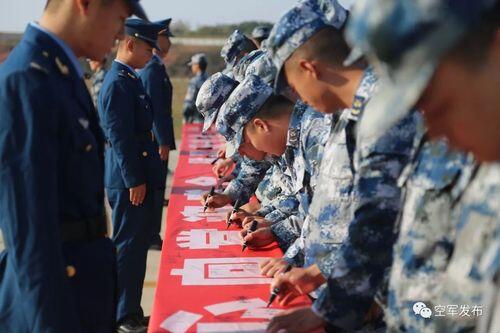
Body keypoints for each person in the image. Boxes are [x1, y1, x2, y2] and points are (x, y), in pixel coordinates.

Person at [264, 1, 419, 331]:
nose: (298, 100)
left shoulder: (384, 108)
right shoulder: (352, 113)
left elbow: (381, 218)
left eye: (292, 87)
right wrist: (318, 273)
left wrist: (330, 310)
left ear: (310, 68)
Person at [347, 0, 500, 331]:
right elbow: (472, 310)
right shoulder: (485, 165)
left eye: (441, 106)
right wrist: (418, 313)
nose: (436, 134)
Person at [0, 0, 146, 332]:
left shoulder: (57, 73)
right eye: (120, 18)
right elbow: (29, 234)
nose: (121, 32)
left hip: (83, 290)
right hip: (58, 299)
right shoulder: (27, 81)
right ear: (85, 4)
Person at [98, 18, 165, 333]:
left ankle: (131, 311)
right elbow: (120, 136)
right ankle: (122, 317)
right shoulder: (117, 82)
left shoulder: (129, 78)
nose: (152, 53)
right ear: (130, 44)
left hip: (138, 173)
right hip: (129, 179)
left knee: (136, 249)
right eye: (148, 47)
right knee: (127, 248)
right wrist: (133, 180)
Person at [139, 18, 176, 250]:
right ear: (156, 39)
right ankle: (151, 235)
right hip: (155, 140)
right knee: (155, 187)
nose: (169, 42)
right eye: (166, 37)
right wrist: (162, 140)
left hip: (159, 137)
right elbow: (154, 110)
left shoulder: (156, 66)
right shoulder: (152, 69)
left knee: (159, 186)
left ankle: (152, 233)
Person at [183, 53, 208, 123]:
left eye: (193, 65)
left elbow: (189, 103)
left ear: (197, 65)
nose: (192, 67)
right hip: (209, 122)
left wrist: (186, 117)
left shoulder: (194, 82)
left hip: (196, 120)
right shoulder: (210, 80)